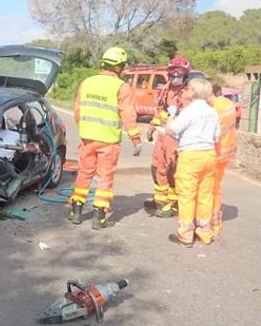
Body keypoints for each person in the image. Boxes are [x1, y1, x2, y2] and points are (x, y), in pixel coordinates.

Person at [68, 47, 142, 230]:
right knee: (105, 177)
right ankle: (99, 215)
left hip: (87, 139)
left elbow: (77, 111)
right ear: (117, 67)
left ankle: (76, 210)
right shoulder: (121, 87)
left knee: (84, 173)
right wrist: (135, 138)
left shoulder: (86, 83)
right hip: (108, 141)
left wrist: (83, 129)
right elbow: (128, 115)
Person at [165, 78, 220, 247]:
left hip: (191, 156)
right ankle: (204, 232)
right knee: (205, 195)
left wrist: (171, 115)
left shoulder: (189, 111)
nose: (186, 91)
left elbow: (170, 130)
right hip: (209, 155)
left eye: (188, 89)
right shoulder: (212, 112)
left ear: (193, 92)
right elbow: (217, 137)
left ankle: (186, 235)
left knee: (187, 196)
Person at [147, 56, 191, 218]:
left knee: (172, 169)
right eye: (173, 72)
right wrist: (152, 126)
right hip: (162, 134)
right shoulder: (167, 88)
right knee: (157, 166)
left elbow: (187, 118)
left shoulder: (187, 93)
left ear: (186, 73)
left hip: (176, 137)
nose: (175, 76)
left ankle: (172, 204)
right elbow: (160, 109)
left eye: (179, 73)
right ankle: (160, 199)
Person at [208, 79, 237, 238]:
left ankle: (211, 220)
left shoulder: (214, 108)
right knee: (216, 187)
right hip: (226, 152)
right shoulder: (228, 103)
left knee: (210, 189)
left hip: (215, 153)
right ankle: (214, 219)